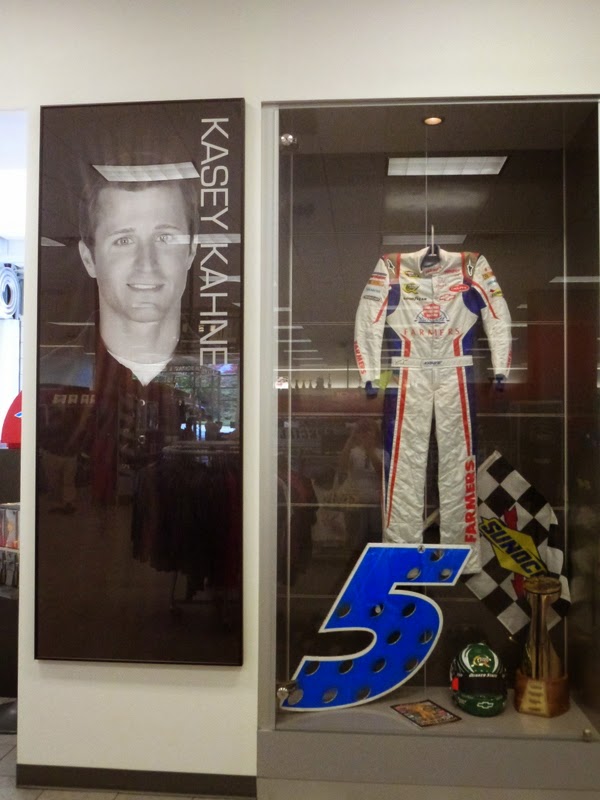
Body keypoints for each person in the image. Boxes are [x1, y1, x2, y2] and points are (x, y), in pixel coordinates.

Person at [354, 248, 512, 573]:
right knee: (403, 467)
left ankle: (461, 558)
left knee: (459, 465)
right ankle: (401, 560)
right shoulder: (392, 266)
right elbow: (368, 316)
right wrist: (368, 373)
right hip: (407, 372)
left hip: (456, 372)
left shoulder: (471, 265)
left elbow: (497, 312)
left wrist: (501, 366)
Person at [78, 175, 198, 384]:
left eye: (165, 238)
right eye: (123, 241)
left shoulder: (231, 370)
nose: (147, 263)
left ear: (191, 251)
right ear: (89, 259)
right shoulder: (44, 381)